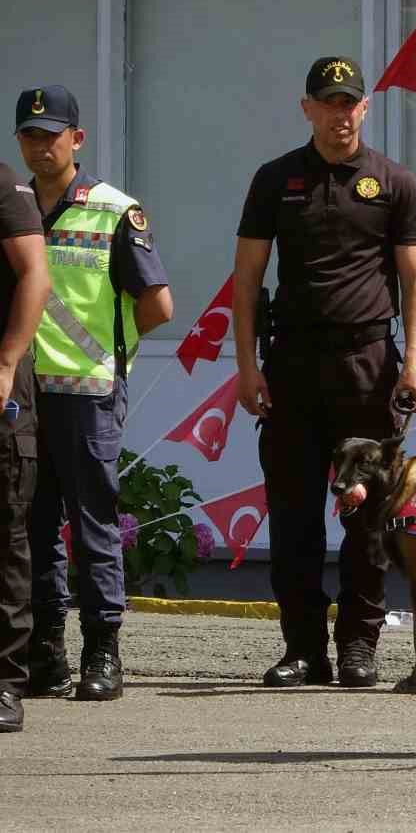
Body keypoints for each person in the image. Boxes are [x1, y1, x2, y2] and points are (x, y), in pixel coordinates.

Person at [233, 57, 416, 689]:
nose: (340, 114)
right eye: (328, 102)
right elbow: (245, 283)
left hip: (367, 365)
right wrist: (246, 368)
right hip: (290, 363)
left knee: (365, 514)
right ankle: (303, 649)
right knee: (293, 515)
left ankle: (358, 646)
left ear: (364, 109)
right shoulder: (275, 179)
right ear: (308, 108)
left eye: (350, 102)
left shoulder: (393, 182)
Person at [16, 86, 172, 703]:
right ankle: (44, 652)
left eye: (51, 134)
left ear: (76, 139)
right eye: (29, 135)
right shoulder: (13, 205)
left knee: (93, 523)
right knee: (29, 525)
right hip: (23, 395)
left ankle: (102, 653)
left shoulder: (113, 210)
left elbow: (158, 305)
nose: (40, 145)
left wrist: (109, 351)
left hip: (87, 392)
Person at [0, 159, 50, 731]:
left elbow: (35, 275)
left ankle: (4, 681)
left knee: (7, 532)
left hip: (4, 380)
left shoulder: (5, 187)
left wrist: (9, 359)